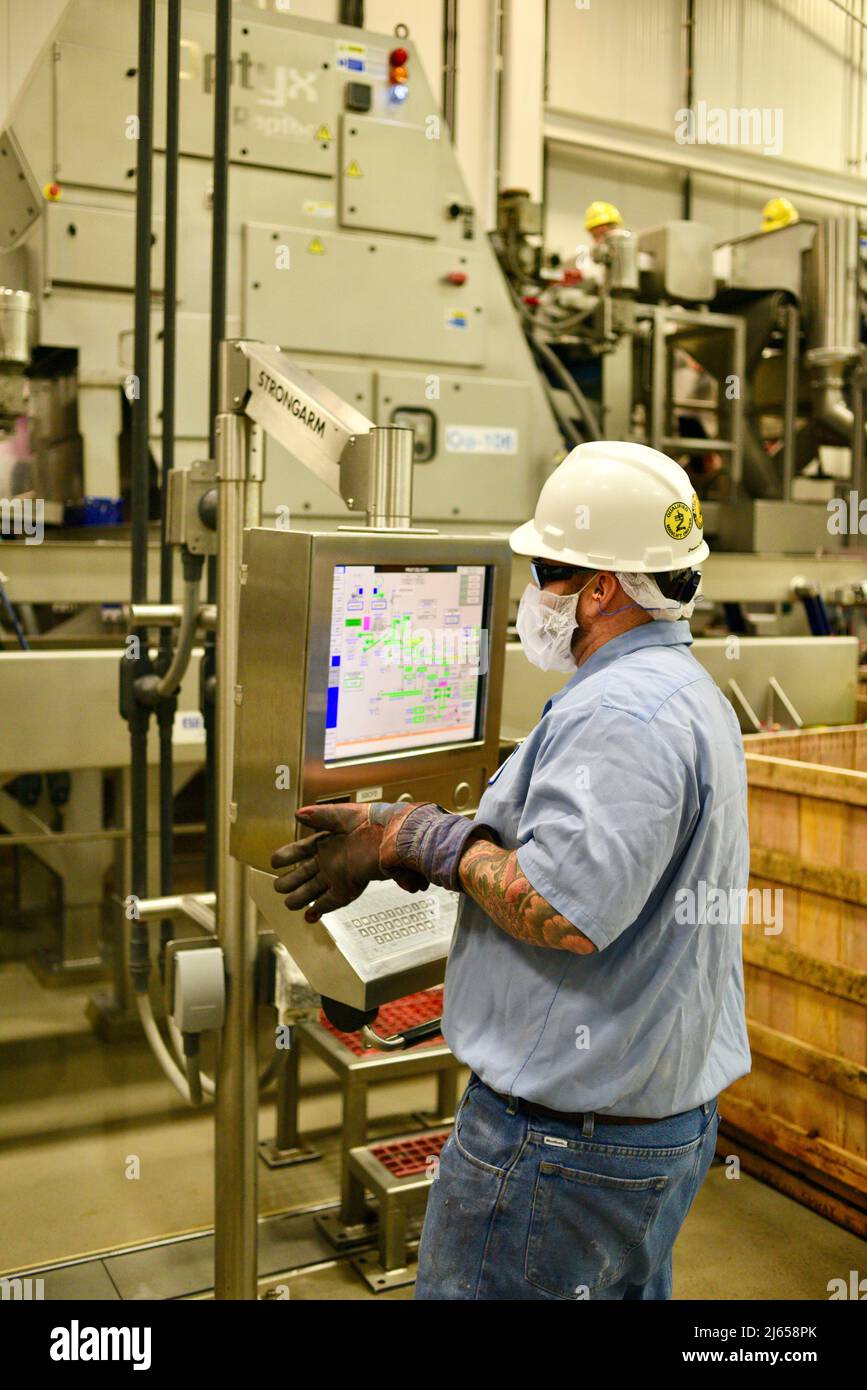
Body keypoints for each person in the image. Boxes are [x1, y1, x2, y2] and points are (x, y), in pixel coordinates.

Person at [271, 440, 752, 1301]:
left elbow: (562, 909)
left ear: (599, 587)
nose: (534, 593)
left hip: (564, 1153)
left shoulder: (621, 716)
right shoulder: (680, 691)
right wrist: (409, 834)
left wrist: (415, 840)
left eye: (543, 570)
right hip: (641, 1128)